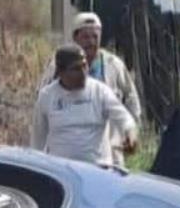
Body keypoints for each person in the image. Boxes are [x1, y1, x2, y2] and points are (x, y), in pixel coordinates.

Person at [39, 12, 141, 165]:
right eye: (86, 37)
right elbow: (43, 109)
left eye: (95, 37)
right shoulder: (56, 66)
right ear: (75, 38)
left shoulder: (114, 65)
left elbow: (131, 103)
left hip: (108, 156)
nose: (91, 42)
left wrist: (130, 133)